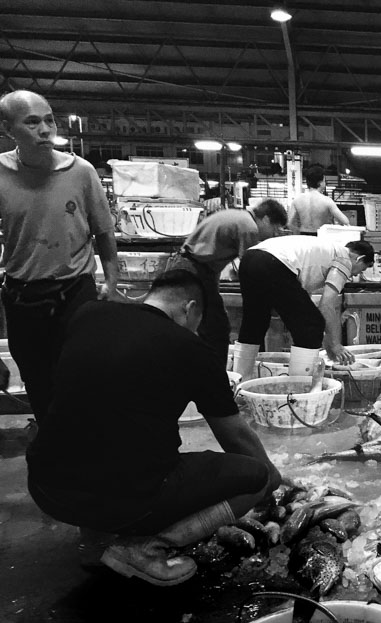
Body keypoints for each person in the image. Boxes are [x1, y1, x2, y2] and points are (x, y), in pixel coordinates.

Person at [26, 270, 281, 586]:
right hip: (126, 499)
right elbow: (235, 436)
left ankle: (95, 543)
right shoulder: (191, 348)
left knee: (94, 434)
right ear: (189, 309)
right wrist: (272, 476)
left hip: (46, 485)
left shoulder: (89, 314)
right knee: (256, 477)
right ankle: (146, 549)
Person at [0, 90, 128, 420]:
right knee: (37, 378)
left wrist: (111, 283)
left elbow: (104, 232)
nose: (45, 129)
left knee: (81, 373)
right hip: (22, 295)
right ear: (7, 129)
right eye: (31, 122)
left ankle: (82, 442)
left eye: (49, 120)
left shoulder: (80, 172)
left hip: (74, 290)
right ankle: (49, 436)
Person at [231, 236, 375, 378]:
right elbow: (327, 306)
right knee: (312, 326)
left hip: (249, 259)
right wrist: (335, 345)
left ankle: (239, 382)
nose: (355, 274)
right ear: (359, 258)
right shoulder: (344, 259)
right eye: (362, 269)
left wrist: (327, 340)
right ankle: (298, 389)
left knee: (255, 323)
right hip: (274, 263)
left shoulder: (322, 251)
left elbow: (304, 302)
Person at [167, 199, 287, 368]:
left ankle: (205, 372)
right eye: (275, 230)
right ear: (266, 219)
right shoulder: (249, 227)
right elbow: (251, 269)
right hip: (193, 270)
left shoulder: (239, 217)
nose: (274, 235)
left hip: (193, 267)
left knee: (204, 326)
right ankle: (216, 378)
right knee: (217, 329)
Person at [288, 164, 351, 234]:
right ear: (320, 183)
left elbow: (289, 223)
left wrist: (298, 232)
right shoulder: (327, 201)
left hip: (303, 237)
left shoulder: (297, 200)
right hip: (321, 237)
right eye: (324, 180)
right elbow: (345, 221)